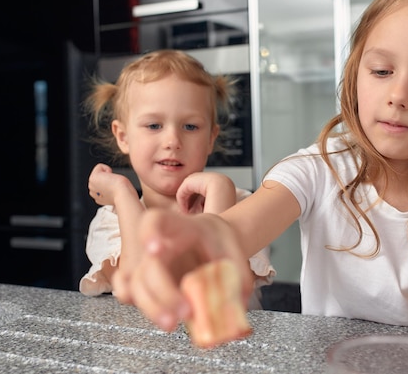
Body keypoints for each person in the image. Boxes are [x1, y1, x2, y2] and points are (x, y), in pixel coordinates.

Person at [112, 0, 408, 356]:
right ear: (356, 70)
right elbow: (233, 230)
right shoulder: (321, 168)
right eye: (380, 72)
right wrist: (185, 245)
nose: (397, 96)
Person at [78, 49, 274, 310]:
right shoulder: (111, 221)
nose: (172, 141)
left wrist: (220, 190)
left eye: (190, 126)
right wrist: (123, 193)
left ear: (210, 138)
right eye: (154, 126)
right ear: (123, 136)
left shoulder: (240, 205)